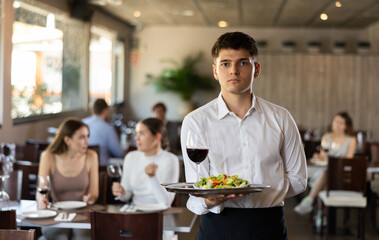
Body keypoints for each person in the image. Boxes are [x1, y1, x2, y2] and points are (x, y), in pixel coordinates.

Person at [180, 31, 307, 239]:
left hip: (270, 225)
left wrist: (262, 192)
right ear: (215, 71)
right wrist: (208, 200)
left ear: (256, 69)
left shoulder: (281, 117)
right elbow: (196, 186)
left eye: (243, 63)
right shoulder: (196, 121)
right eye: (225, 64)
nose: (234, 71)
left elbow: (299, 179)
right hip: (217, 227)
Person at [112, 118, 179, 240]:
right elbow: (127, 195)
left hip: (160, 219)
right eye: (136, 134)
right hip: (134, 216)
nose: (136, 139)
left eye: (142, 134)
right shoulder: (131, 157)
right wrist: (121, 192)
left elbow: (165, 203)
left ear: (157, 137)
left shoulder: (170, 160)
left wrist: (153, 177)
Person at [37, 118, 99, 240]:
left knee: (83, 236)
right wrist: (42, 200)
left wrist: (91, 197)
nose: (87, 141)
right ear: (67, 140)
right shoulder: (48, 156)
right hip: (57, 213)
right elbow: (41, 190)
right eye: (82, 137)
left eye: (87, 136)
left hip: (83, 213)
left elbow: (94, 192)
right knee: (58, 236)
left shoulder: (91, 156)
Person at [294, 111, 357, 215]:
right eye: (335, 121)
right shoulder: (326, 137)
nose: (337, 124)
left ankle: (312, 205)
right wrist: (318, 156)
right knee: (326, 181)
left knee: (326, 175)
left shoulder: (351, 139)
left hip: (343, 173)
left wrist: (333, 160)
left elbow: (348, 159)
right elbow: (323, 156)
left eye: (341, 122)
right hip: (327, 171)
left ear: (346, 125)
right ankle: (322, 215)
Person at [83, 98, 124, 165]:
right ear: (106, 110)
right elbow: (119, 153)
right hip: (102, 168)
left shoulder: (83, 122)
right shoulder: (108, 128)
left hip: (84, 164)